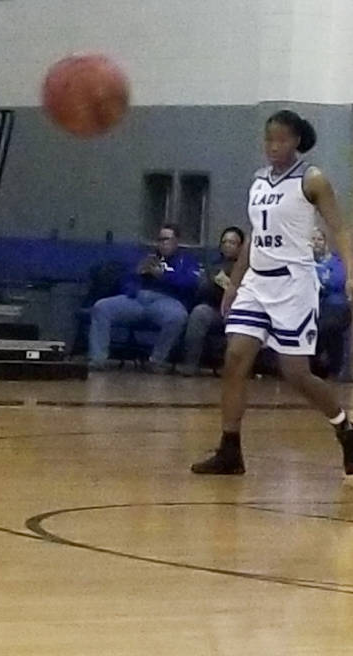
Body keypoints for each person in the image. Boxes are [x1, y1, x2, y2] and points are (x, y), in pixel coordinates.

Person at [192, 110, 353, 476]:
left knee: (295, 373)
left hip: (293, 284)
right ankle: (230, 449)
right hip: (257, 283)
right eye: (269, 139)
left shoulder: (312, 180)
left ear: (296, 140)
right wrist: (234, 282)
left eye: (281, 139)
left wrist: (350, 273)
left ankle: (344, 427)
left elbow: (340, 228)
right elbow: (254, 234)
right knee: (235, 359)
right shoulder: (260, 180)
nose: (273, 146)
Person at [88, 224, 199, 373]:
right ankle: (98, 359)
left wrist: (164, 276)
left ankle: (157, 361)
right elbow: (124, 281)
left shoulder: (186, 261)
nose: (162, 243)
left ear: (176, 241)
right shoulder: (147, 258)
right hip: (137, 298)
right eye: (160, 239)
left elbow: (190, 283)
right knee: (101, 307)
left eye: (166, 239)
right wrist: (136, 274)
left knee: (178, 317)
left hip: (166, 301)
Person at [176, 226, 244, 376]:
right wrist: (210, 284)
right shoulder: (213, 264)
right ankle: (190, 364)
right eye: (224, 242)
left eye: (232, 243)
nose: (227, 245)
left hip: (239, 311)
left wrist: (228, 286)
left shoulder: (248, 267)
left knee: (241, 321)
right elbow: (202, 294)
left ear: (241, 247)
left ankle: (232, 369)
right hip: (215, 308)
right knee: (199, 313)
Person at [311, 227, 350, 378]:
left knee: (326, 326)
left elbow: (338, 281)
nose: (316, 243)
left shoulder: (337, 261)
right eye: (313, 240)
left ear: (326, 243)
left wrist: (320, 282)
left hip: (336, 306)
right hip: (311, 305)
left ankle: (332, 368)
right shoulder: (305, 262)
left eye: (319, 240)